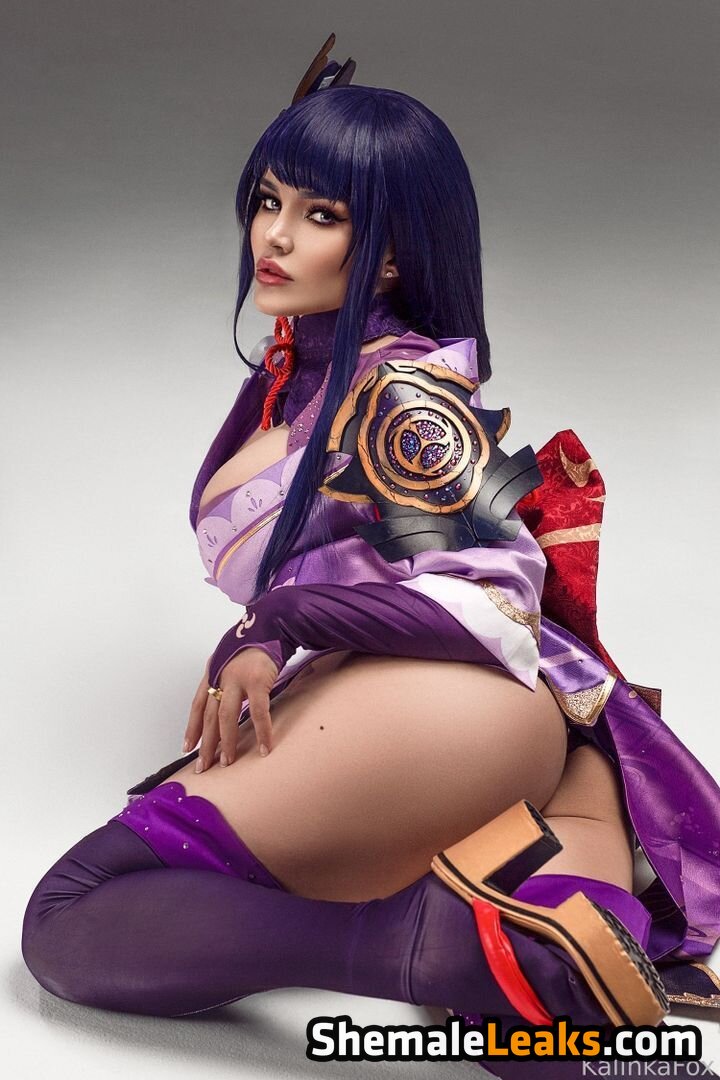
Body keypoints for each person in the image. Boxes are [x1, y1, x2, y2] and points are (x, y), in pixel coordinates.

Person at [21, 34, 720, 1078]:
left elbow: (497, 603)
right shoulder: (306, 372)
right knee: (535, 1010)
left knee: (71, 915)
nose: (274, 235)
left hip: (455, 698)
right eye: (270, 201)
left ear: (391, 255)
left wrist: (279, 620)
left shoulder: (403, 394)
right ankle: (551, 971)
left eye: (321, 215)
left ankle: (407, 943)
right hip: (516, 737)